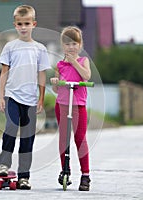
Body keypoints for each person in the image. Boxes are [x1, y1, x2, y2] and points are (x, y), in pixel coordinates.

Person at [0, 5, 51, 190]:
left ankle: (24, 177)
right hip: (12, 96)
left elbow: (41, 75)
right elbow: (4, 72)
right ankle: (4, 164)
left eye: (27, 23)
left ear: (34, 24)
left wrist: (41, 98)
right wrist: (1, 96)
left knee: (28, 137)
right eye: (19, 24)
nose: (23, 27)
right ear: (15, 25)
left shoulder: (40, 49)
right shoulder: (10, 47)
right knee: (11, 127)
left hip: (30, 100)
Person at [50, 26, 92, 191]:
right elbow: (56, 88)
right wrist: (55, 81)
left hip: (78, 105)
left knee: (80, 139)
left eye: (74, 44)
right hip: (62, 105)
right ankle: (65, 170)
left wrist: (74, 62)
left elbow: (86, 76)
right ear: (63, 46)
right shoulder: (60, 64)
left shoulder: (83, 61)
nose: (71, 47)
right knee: (63, 139)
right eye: (68, 44)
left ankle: (85, 175)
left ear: (80, 45)